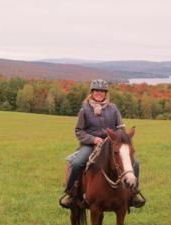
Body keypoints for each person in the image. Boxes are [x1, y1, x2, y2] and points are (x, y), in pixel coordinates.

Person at [59, 79, 145, 208]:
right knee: (77, 163)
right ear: (92, 92)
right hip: (90, 144)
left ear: (106, 94)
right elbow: (79, 131)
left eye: (102, 91)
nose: (99, 93)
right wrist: (93, 139)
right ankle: (71, 194)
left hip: (111, 144)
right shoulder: (85, 109)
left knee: (135, 163)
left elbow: (121, 128)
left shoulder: (113, 108)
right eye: (96, 91)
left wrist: (115, 138)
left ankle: (133, 193)